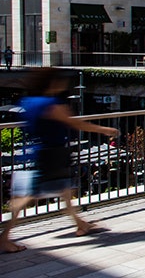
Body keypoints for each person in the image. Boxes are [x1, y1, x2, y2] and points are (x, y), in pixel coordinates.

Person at [1, 68, 120, 252]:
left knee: (64, 192)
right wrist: (105, 130)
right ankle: (4, 237)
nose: (63, 84)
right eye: (59, 81)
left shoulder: (29, 102)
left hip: (38, 151)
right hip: (52, 154)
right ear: (51, 83)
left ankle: (81, 225)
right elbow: (76, 123)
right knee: (26, 198)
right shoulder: (51, 104)